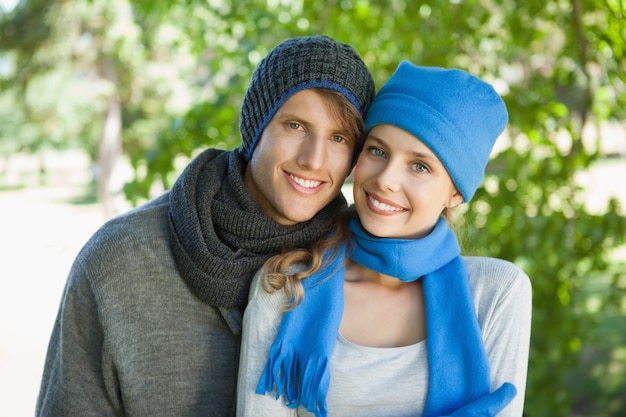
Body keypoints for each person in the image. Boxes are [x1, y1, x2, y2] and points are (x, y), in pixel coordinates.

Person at [35, 35, 375, 417]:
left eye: (339, 137)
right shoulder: (120, 260)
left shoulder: (360, 267)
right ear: (256, 127)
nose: (314, 159)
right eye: (295, 125)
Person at [237, 61, 532, 417]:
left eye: (420, 166)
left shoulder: (496, 292)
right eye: (377, 150)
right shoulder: (286, 285)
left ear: (455, 193)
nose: (385, 180)